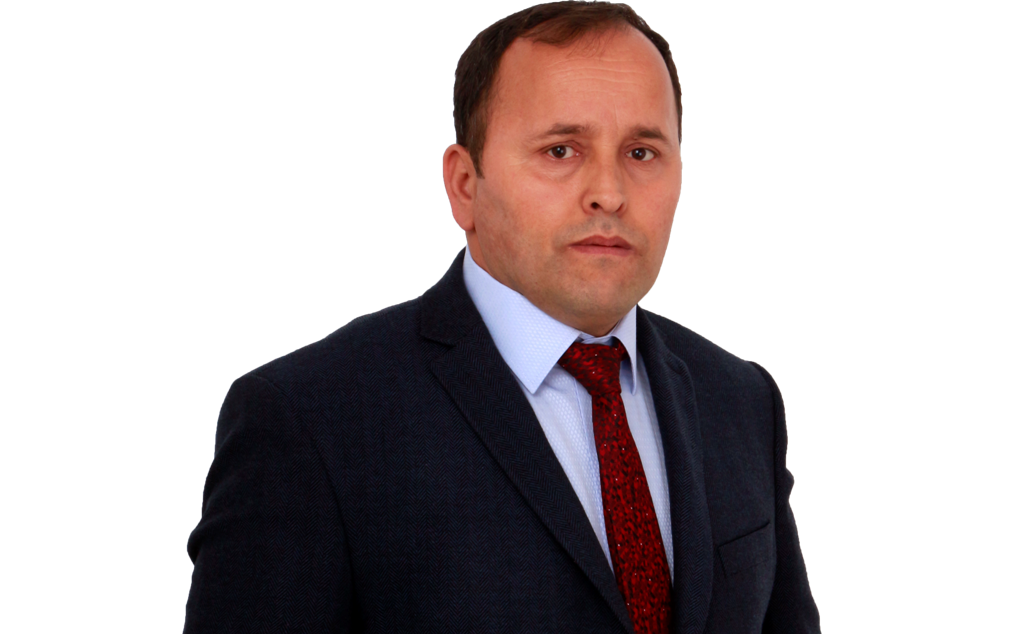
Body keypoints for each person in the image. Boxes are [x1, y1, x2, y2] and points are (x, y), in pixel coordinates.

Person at [183, 3, 819, 633]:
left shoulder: (741, 399)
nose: (610, 192)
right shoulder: (309, 418)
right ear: (464, 184)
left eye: (642, 152)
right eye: (561, 150)